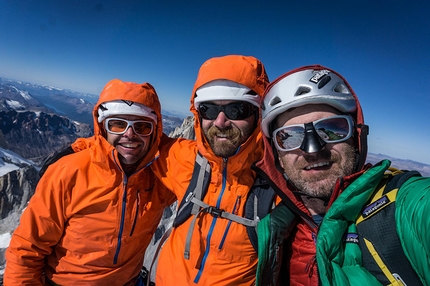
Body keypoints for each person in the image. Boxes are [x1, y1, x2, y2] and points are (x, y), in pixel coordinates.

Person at [253, 65, 430, 285]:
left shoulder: (401, 207)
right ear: (277, 156)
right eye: (289, 137)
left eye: (331, 129)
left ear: (355, 136)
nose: (313, 150)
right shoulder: (276, 226)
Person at [4, 79, 176, 285]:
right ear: (103, 128)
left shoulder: (161, 176)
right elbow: (26, 249)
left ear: (155, 133)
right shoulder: (68, 172)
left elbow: (209, 173)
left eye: (142, 126)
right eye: (118, 124)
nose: (129, 134)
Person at [151, 54, 272, 285]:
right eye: (208, 110)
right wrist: (81, 148)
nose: (220, 121)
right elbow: (134, 142)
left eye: (237, 110)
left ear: (259, 114)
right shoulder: (183, 157)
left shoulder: (276, 182)